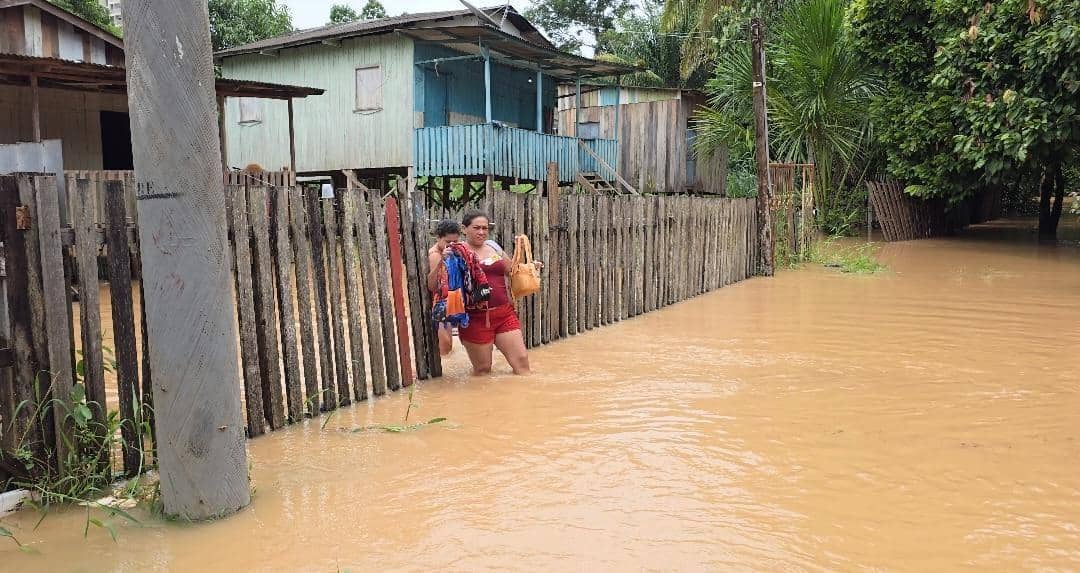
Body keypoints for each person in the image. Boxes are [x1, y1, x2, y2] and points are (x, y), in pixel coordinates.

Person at [455, 209, 542, 376]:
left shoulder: (493, 247)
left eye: (485, 228)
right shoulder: (457, 253)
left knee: (522, 363)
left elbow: (512, 270)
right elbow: (442, 285)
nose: (481, 232)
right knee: (483, 370)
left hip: (504, 314)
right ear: (464, 229)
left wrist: (530, 267)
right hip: (475, 318)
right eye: (476, 228)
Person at [427, 219, 462, 356]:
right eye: (448, 242)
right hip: (439, 305)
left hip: (449, 303)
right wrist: (441, 260)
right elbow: (433, 286)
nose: (452, 245)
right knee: (445, 347)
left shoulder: (452, 251)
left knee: (448, 346)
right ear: (438, 238)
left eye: (455, 241)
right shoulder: (435, 255)